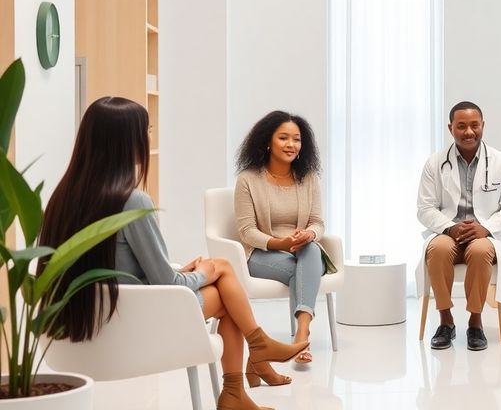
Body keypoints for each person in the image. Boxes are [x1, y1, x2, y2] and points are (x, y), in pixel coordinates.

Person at [39, 97, 307, 410]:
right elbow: (167, 282)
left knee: (219, 267)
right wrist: (200, 274)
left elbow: (119, 264)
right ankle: (248, 365)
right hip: (134, 321)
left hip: (83, 322)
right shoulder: (131, 200)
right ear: (128, 142)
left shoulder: (61, 198)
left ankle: (252, 363)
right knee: (224, 287)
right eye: (147, 129)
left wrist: (193, 271)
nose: (149, 135)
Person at [416, 101, 501, 351]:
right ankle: (446, 321)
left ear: (483, 126)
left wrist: (485, 227)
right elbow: (425, 208)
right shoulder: (435, 163)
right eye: (461, 126)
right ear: (450, 128)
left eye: (474, 125)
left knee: (480, 250)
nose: (469, 132)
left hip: (485, 235)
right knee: (438, 249)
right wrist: (449, 227)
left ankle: (475, 322)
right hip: (448, 232)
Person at [235, 110, 334, 365]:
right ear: (268, 141)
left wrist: (310, 234)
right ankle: (302, 334)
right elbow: (246, 231)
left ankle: (300, 334)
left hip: (303, 250)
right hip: (261, 253)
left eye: (297, 139)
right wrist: (281, 243)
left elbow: (318, 222)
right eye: (283, 138)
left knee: (311, 250)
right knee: (299, 270)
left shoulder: (309, 178)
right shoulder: (247, 179)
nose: (291, 144)